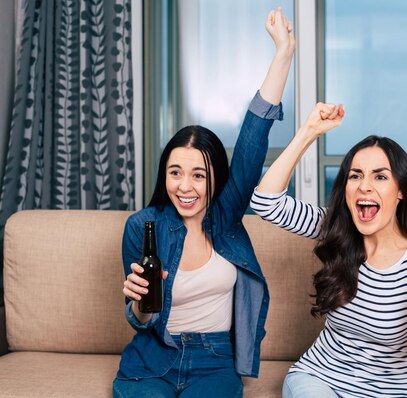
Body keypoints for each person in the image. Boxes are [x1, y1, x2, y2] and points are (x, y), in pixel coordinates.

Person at [112, 8, 295, 398]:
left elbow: (251, 141)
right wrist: (140, 303)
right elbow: (140, 320)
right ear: (164, 175)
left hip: (215, 359)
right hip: (151, 359)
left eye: (199, 174)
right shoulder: (143, 226)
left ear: (215, 181)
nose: (186, 186)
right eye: (175, 172)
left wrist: (283, 54)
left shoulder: (225, 218)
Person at [250, 103, 407, 398]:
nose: (364, 186)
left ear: (401, 191)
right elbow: (265, 203)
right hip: (318, 380)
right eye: (355, 176)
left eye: (380, 177)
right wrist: (308, 132)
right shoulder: (335, 230)